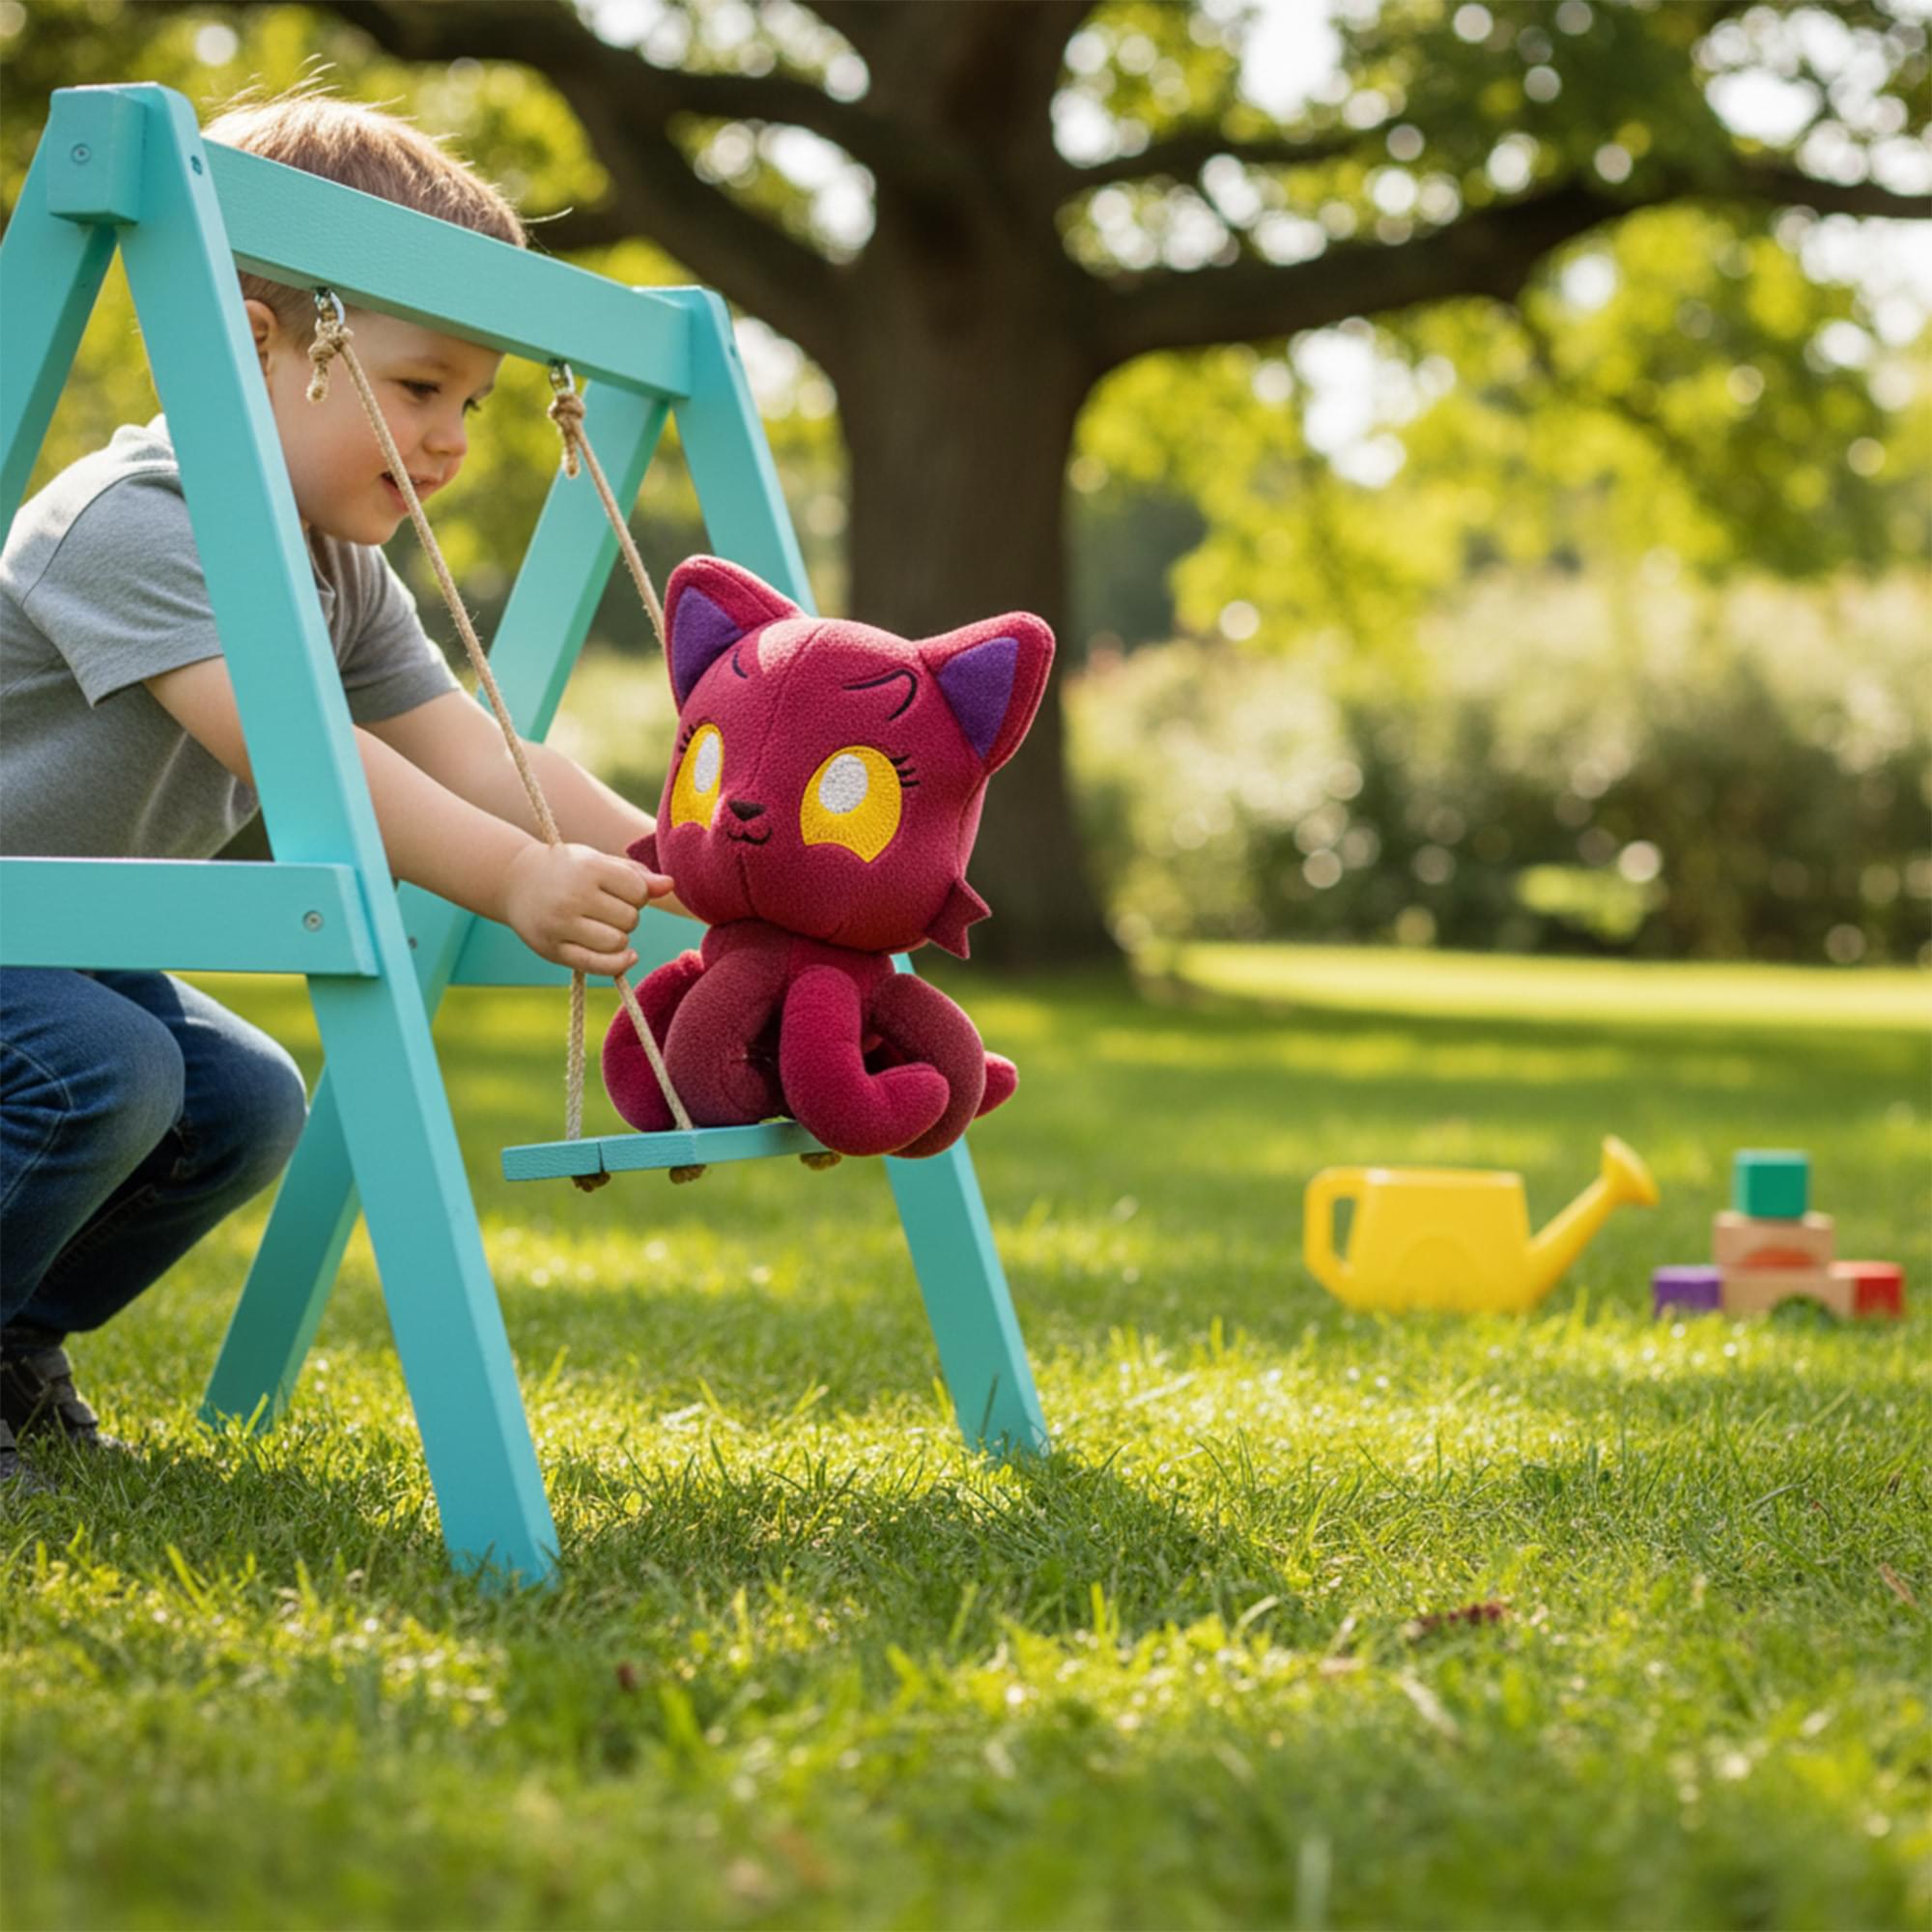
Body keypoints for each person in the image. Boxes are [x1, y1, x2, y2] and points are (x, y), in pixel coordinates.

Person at [0, 90, 673, 1490]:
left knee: (244, 1103)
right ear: (254, 343)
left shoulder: (338, 569)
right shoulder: (131, 520)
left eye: (473, 402)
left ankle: (15, 1343)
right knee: (101, 1073)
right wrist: (513, 878)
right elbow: (303, 750)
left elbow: (473, 747)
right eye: (418, 388)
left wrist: (685, 864)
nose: (453, 439)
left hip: (73, 943)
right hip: (18, 929)